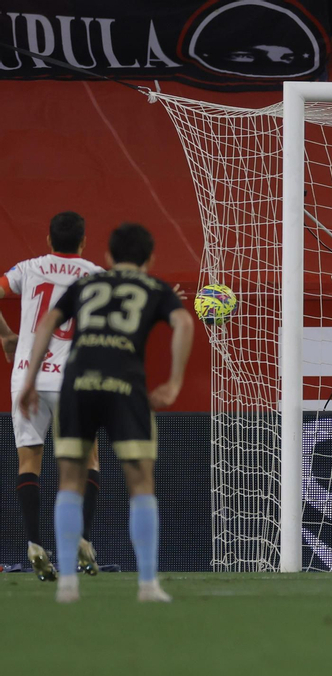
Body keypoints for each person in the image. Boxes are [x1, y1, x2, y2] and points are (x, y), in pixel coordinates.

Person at [19, 223, 193, 603]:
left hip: (78, 383)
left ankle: (67, 584)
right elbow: (183, 322)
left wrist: (29, 380)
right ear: (150, 259)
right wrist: (174, 382)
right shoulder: (153, 287)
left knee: (69, 479)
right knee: (140, 482)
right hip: (124, 385)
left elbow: (48, 322)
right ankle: (147, 585)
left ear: (109, 257)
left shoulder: (85, 284)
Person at [1, 211, 105, 581]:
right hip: (72, 381)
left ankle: (34, 543)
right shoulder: (95, 275)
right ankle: (82, 539)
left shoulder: (28, 268)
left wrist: (5, 335)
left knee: (29, 462)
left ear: (48, 240)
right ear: (84, 242)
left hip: (27, 377)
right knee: (87, 460)